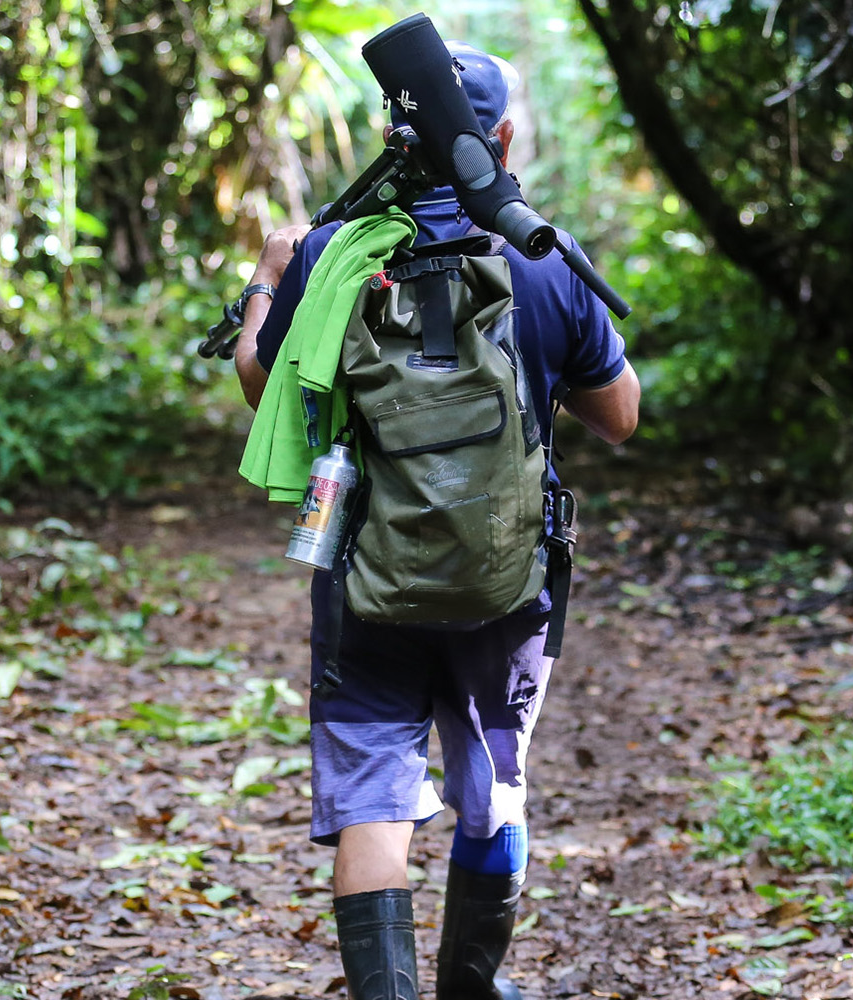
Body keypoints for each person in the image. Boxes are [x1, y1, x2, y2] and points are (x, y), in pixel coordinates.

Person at [229, 43, 642, 1000]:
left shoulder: (333, 257)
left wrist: (266, 278)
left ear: (393, 139)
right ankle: (469, 988)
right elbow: (619, 417)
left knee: (375, 800)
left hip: (367, 574)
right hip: (505, 582)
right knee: (491, 787)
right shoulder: (542, 257)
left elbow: (265, 387)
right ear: (496, 139)